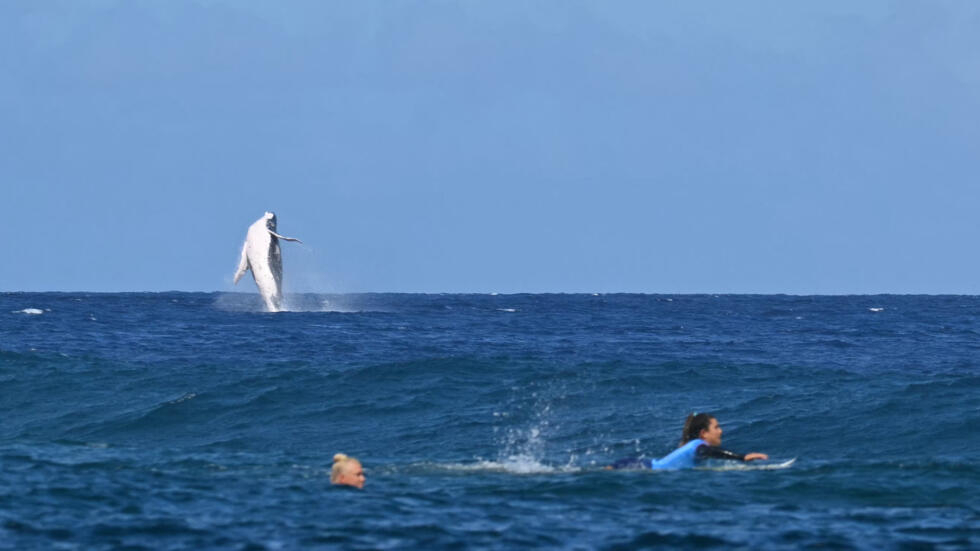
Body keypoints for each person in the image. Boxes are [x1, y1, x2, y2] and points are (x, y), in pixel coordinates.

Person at [609, 412, 768, 470]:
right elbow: (709, 452)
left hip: (639, 465)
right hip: (638, 467)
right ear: (704, 433)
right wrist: (741, 457)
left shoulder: (693, 446)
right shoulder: (699, 446)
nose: (721, 431)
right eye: (717, 427)